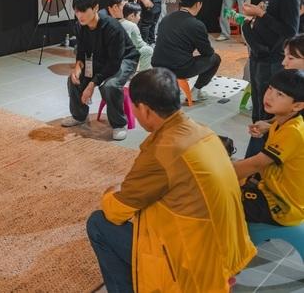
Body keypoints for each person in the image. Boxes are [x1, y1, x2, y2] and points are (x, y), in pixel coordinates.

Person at [86, 68, 255, 293]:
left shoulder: (162, 150)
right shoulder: (203, 132)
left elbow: (117, 211)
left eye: (133, 107)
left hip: (191, 267)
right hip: (227, 252)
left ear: (144, 109)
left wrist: (111, 192)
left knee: (98, 223)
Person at [241, 0, 300, 157]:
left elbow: (290, 31)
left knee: (268, 111)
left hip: (273, 61)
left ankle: (262, 156)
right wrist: (252, 19)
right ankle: (255, 152)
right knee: (259, 108)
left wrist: (261, 15)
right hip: (260, 59)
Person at [61, 0, 139, 141]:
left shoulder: (112, 27)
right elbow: (81, 51)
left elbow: (114, 62)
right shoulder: (80, 26)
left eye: (83, 11)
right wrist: (77, 68)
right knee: (73, 80)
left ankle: (118, 124)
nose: (80, 15)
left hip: (124, 59)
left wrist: (92, 84)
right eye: (76, 11)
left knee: (110, 85)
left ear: (95, 8)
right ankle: (79, 116)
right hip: (99, 58)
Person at [232, 69, 304, 226]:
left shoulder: (292, 132)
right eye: (270, 88)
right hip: (270, 187)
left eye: (280, 94)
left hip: (282, 206)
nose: (269, 96)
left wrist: (218, 173)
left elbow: (256, 164)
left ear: (297, 105)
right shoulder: (284, 120)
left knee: (219, 202)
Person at [152, 0, 221, 102]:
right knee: (215, 58)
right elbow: (207, 52)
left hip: (156, 65)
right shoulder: (196, 25)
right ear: (198, 4)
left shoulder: (166, 18)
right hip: (179, 69)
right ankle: (195, 92)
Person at [119, 2, 152, 71]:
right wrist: (148, 45)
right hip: (125, 55)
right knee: (148, 50)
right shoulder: (132, 25)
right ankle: (142, 74)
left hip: (117, 54)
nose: (140, 18)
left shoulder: (119, 22)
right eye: (139, 15)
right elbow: (139, 43)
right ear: (132, 16)